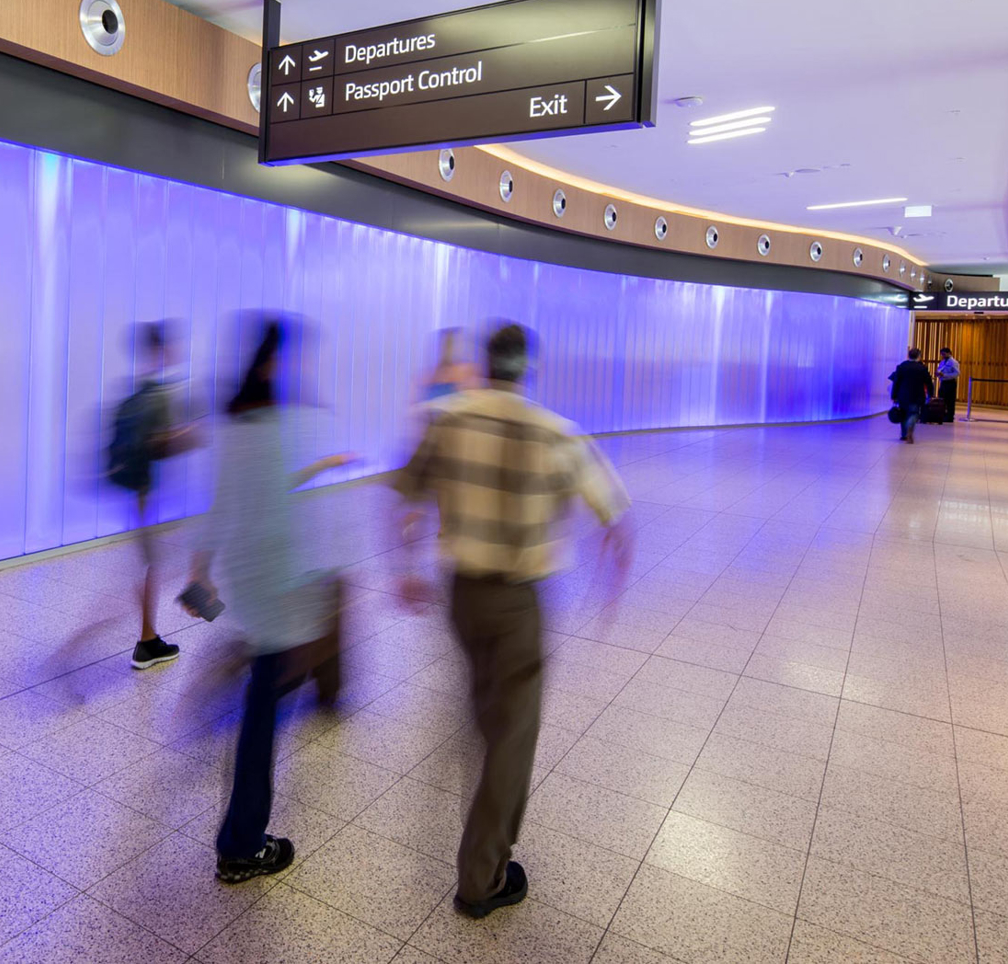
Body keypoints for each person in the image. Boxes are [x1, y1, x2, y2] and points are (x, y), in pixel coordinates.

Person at [391, 323, 631, 919]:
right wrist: (610, 591)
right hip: (518, 603)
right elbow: (617, 524)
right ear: (528, 368)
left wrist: (405, 568)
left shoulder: (445, 420)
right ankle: (481, 879)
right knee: (512, 740)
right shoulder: (557, 434)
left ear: (483, 362)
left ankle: (493, 824)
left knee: (489, 712)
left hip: (461, 597)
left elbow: (403, 497)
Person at [189, 315, 353, 885]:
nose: (298, 368)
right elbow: (285, 516)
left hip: (251, 580)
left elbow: (231, 499)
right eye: (291, 358)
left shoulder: (239, 425)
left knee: (264, 690)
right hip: (279, 583)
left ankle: (242, 834)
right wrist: (315, 592)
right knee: (263, 709)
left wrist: (200, 570)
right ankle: (240, 844)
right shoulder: (278, 424)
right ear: (271, 363)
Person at [108, 321, 197, 669]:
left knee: (148, 565)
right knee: (147, 567)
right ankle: (145, 643)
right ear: (162, 350)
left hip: (136, 492)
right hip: (145, 493)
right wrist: (192, 434)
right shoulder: (159, 396)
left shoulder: (135, 394)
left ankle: (148, 638)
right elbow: (162, 444)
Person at [889, 347, 934, 444]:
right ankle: (910, 426)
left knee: (903, 414)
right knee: (914, 413)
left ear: (908, 356)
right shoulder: (922, 368)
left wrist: (893, 395)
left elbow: (896, 382)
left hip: (903, 395)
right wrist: (931, 395)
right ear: (919, 356)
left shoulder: (901, 366)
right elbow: (929, 383)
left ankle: (904, 435)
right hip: (917, 395)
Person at [936, 348, 960, 412]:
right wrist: (938, 374)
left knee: (950, 400)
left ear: (949, 353)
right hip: (943, 382)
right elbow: (939, 369)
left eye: (944, 354)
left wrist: (944, 375)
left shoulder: (954, 362)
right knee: (942, 399)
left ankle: (950, 416)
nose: (942, 356)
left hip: (950, 383)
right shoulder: (942, 362)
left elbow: (956, 373)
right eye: (941, 354)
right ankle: (942, 414)